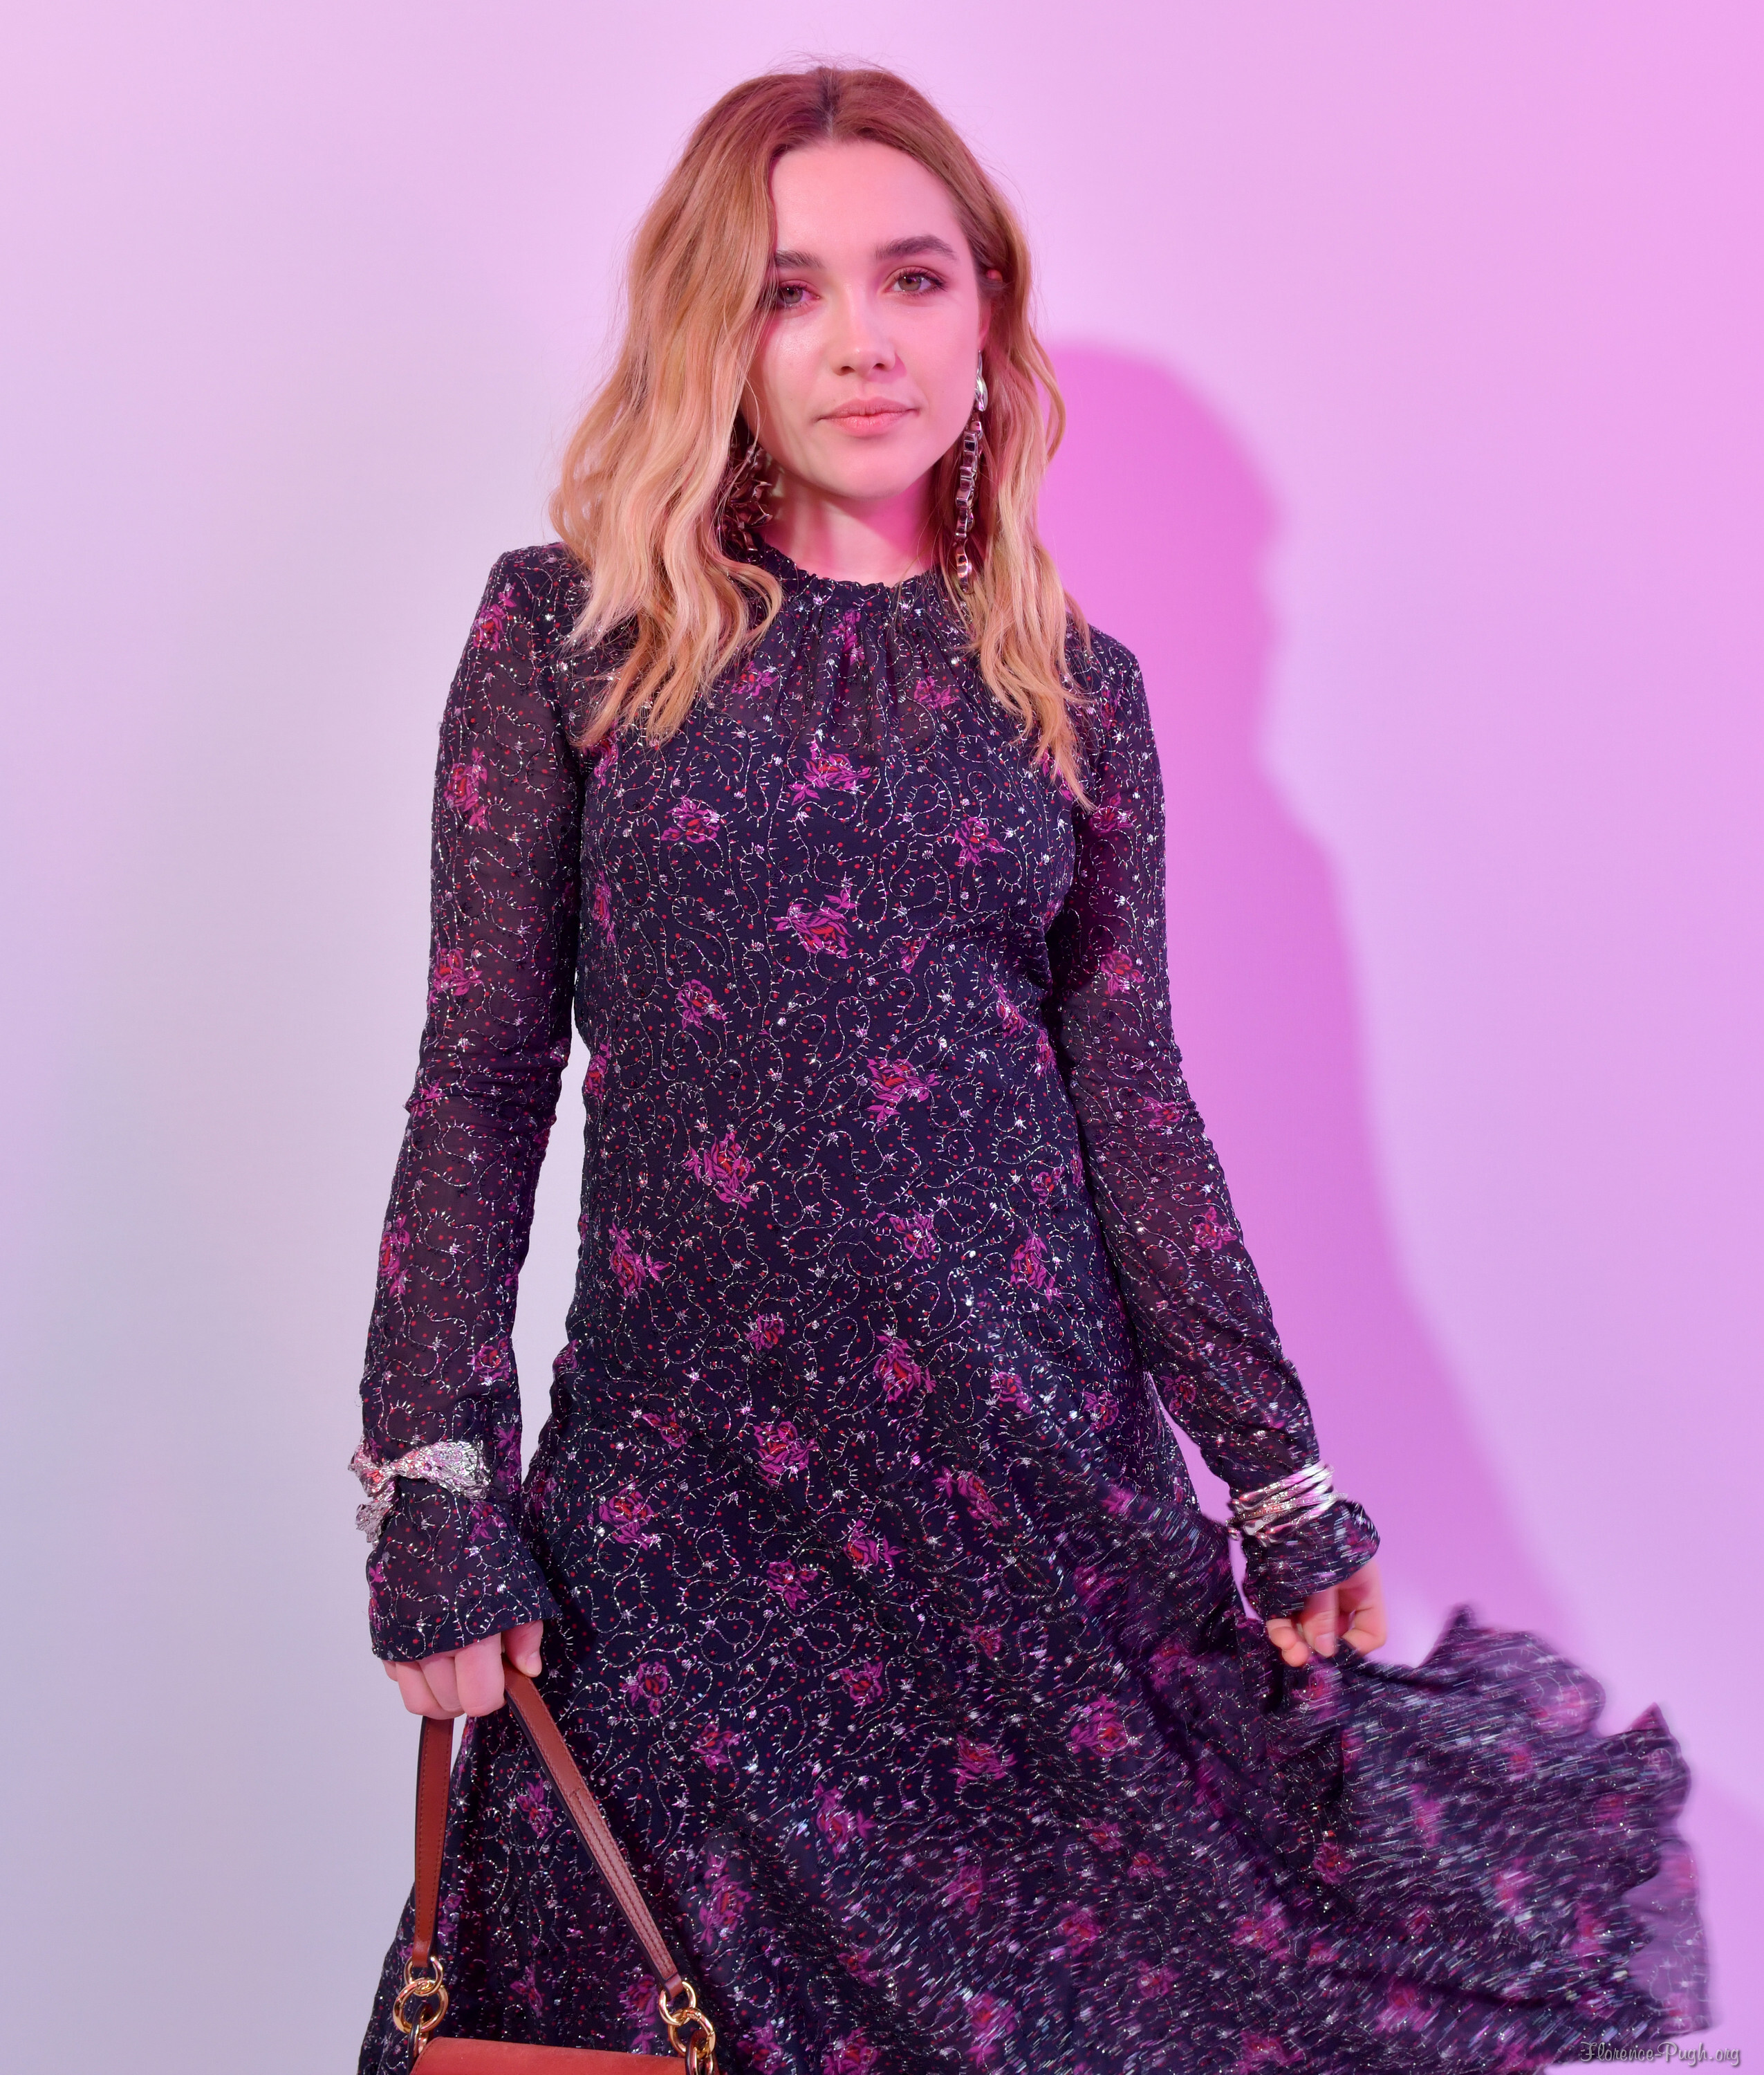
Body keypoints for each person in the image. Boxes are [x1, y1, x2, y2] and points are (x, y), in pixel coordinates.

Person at [352, 64, 1707, 2075]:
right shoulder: (573, 633)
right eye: (790, 289)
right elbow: (478, 1076)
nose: (864, 341)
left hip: (1032, 1508)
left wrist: (1277, 1475)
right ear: (711, 326)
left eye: (914, 278)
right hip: (680, 1516)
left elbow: (1133, 1108)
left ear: (986, 312)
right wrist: (434, 1477)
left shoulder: (1075, 690)